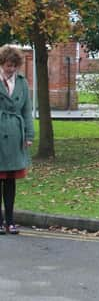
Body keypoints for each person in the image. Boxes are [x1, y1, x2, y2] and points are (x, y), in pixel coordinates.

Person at [0, 45, 34, 235]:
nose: (10, 69)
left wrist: (29, 135)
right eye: (7, 65)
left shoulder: (22, 82)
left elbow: (26, 111)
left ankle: (10, 221)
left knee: (10, 180)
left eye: (13, 66)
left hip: (15, 135)